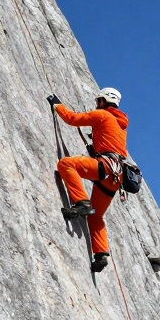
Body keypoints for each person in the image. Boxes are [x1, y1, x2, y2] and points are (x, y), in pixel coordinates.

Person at [47, 87, 129, 273]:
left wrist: (57, 105)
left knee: (66, 164)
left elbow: (72, 119)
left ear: (103, 101)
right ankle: (100, 254)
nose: (96, 103)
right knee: (96, 215)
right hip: (116, 178)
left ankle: (81, 202)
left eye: (98, 100)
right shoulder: (120, 125)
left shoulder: (102, 115)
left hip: (106, 167)